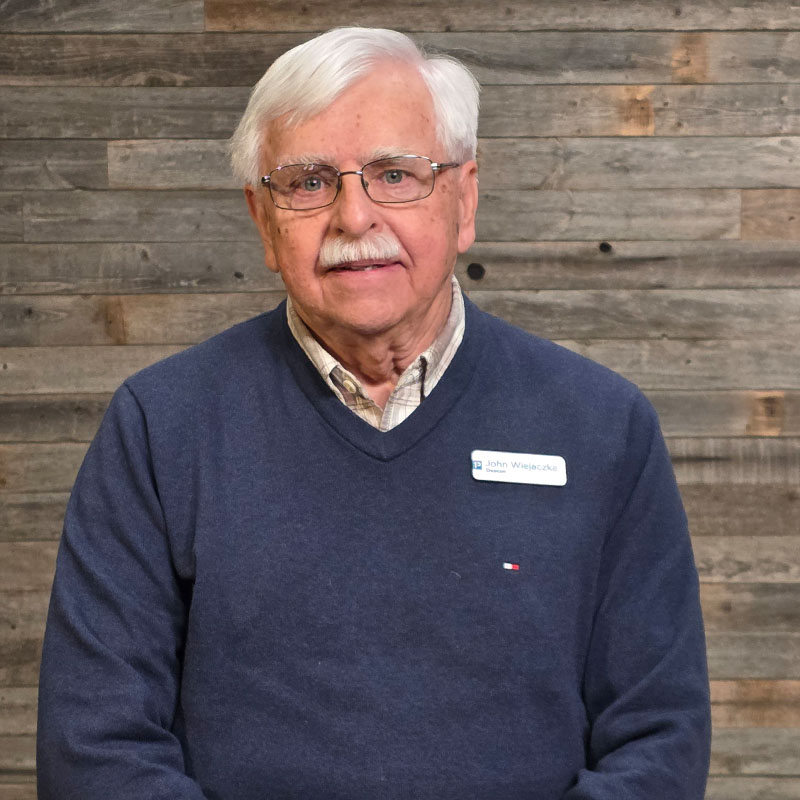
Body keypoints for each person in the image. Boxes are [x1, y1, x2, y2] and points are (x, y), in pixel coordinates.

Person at [37, 27, 711, 800]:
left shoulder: (603, 426)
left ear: (465, 200)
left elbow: (659, 737)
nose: (354, 218)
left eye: (395, 175)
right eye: (308, 182)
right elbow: (94, 747)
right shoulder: (160, 428)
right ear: (263, 220)